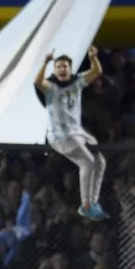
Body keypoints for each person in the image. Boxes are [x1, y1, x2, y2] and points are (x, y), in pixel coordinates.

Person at [34, 47, 106, 220]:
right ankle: (86, 205)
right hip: (59, 136)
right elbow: (37, 81)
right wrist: (45, 63)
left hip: (76, 132)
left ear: (70, 68)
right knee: (87, 162)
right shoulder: (51, 86)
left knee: (100, 161)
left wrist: (93, 57)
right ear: (54, 69)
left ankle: (93, 202)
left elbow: (97, 71)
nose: (61, 69)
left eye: (65, 66)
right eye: (58, 66)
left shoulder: (77, 82)